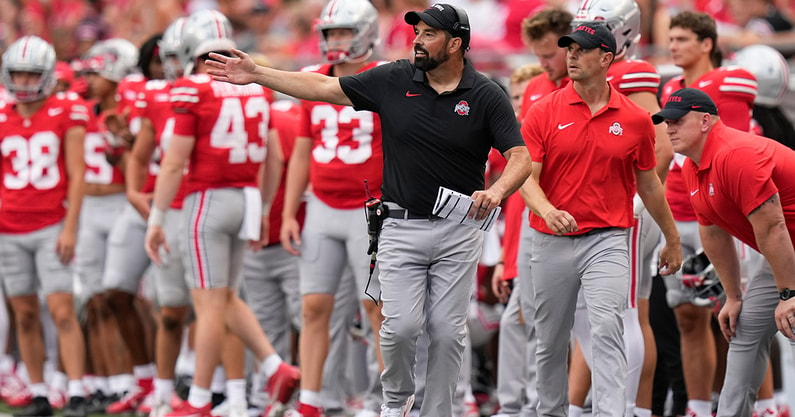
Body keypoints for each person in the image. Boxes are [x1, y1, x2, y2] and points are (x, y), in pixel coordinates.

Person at [204, 4, 532, 417]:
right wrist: (258, 75)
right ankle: (395, 405)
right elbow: (325, 90)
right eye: (417, 32)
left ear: (455, 44)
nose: (417, 40)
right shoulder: (394, 78)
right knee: (399, 328)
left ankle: (439, 411)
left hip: (458, 228)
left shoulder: (485, 94)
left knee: (448, 333)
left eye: (429, 34)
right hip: (399, 224)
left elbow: (520, 156)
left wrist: (498, 189)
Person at [519, 22, 681, 417]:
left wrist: (672, 240)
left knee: (608, 328)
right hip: (549, 239)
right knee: (551, 341)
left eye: (581, 49)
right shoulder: (543, 111)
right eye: (569, 49)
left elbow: (651, 186)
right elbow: (525, 178)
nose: (570, 55)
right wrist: (547, 210)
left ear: (606, 58)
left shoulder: (636, 118)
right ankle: (551, 412)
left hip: (608, 239)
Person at [143, 10, 300, 417]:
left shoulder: (193, 89)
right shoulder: (255, 87)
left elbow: (174, 164)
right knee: (226, 297)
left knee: (209, 304)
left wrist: (157, 219)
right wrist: (263, 208)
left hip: (207, 200)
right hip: (246, 196)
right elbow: (276, 157)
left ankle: (197, 400)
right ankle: (274, 366)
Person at [651, 87, 795, 417]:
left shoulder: (736, 153)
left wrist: (789, 292)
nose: (668, 128)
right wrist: (733, 296)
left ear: (705, 121)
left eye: (676, 120)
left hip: (786, 248)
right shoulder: (692, 165)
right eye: (665, 122)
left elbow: (773, 225)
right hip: (786, 252)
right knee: (745, 330)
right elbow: (712, 231)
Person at [565, 1, 673, 417]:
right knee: (625, 313)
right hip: (611, 209)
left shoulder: (632, 72)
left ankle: (625, 408)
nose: (580, 42)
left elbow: (658, 147)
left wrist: (633, 199)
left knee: (618, 314)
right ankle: (630, 408)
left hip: (622, 209)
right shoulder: (594, 76)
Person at [278, 1, 386, 416]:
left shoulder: (383, 78)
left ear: (364, 32)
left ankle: (388, 402)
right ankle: (311, 400)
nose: (335, 41)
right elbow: (302, 151)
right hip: (322, 206)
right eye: (330, 33)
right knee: (313, 306)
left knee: (376, 308)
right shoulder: (311, 80)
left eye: (343, 32)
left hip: (370, 208)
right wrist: (290, 211)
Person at [659, 12, 758, 417]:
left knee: (739, 313)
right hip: (681, 206)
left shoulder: (729, 80)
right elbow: (663, 152)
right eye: (671, 38)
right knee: (686, 313)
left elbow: (732, 147)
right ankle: (699, 407)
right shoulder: (669, 87)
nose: (673, 45)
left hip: (724, 210)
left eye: (683, 38)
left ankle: (760, 403)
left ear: (706, 43)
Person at [0, 35, 89, 417]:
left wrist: (70, 227)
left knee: (62, 310)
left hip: (51, 222)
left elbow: (77, 172)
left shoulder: (65, 109)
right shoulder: (3, 114)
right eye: (17, 74)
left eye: (30, 74)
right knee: (23, 313)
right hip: (9, 226)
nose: (22, 81)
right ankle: (38, 390)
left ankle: (77, 388)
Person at [490, 11, 573, 417]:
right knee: (523, 319)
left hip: (576, 217)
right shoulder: (539, 90)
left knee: (570, 325)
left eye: (549, 54)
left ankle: (565, 403)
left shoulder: (586, 89)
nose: (545, 63)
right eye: (538, 55)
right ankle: (518, 406)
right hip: (535, 220)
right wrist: (507, 260)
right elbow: (518, 174)